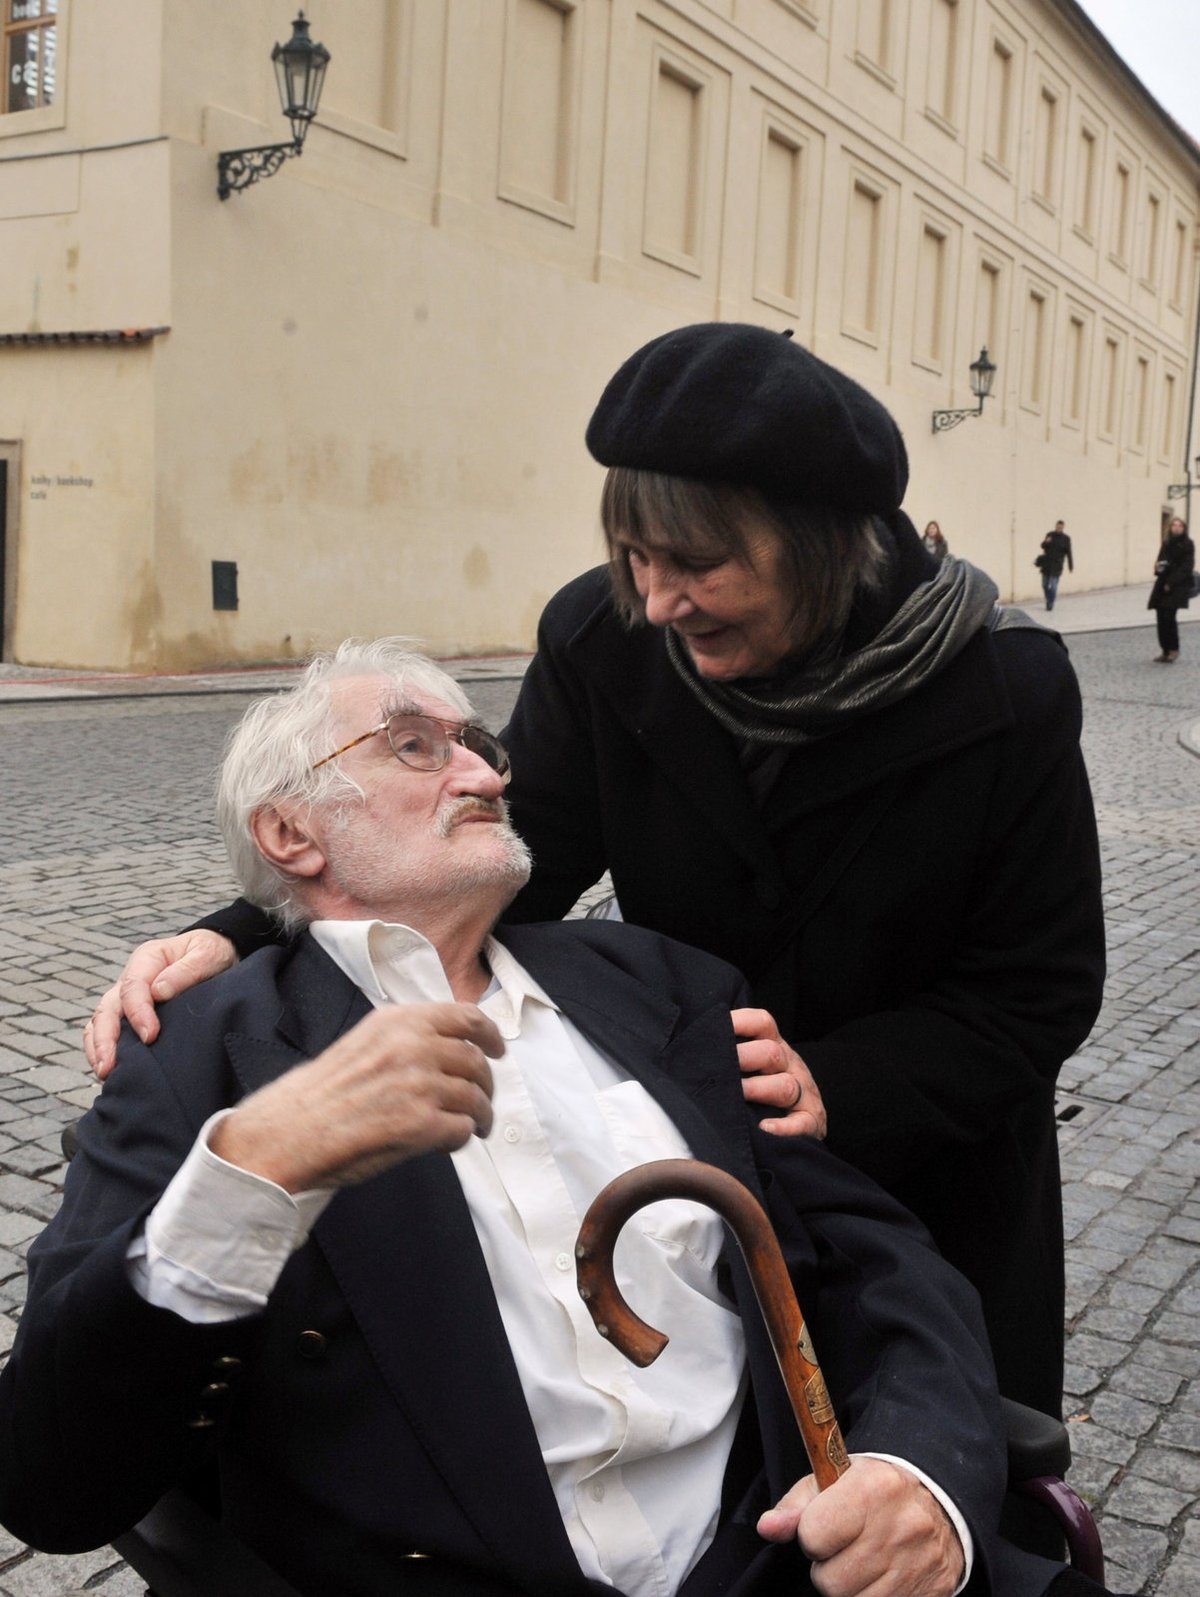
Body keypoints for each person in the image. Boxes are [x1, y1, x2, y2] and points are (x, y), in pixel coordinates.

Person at [83, 325, 1105, 1426]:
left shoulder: (1004, 691)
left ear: (818, 543)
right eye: (638, 558)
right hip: (703, 1169)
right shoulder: (605, 636)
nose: (661, 600)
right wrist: (243, 926)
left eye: (699, 564)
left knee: (939, 1481)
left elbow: (1035, 988)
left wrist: (837, 1083)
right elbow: (512, 851)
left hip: (930, 1177)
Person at [0, 642, 1111, 1597]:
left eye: (478, 741)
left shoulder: (665, 985)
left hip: (775, 1552)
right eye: (413, 744)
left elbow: (877, 1260)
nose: (482, 768)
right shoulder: (202, 1047)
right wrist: (256, 1172)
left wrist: (922, 1472)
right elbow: (53, 1479)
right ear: (291, 832)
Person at [1148, 515, 1194, 662]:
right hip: (1162, 584)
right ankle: (1165, 650)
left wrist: (1172, 582)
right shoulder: (1166, 542)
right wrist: (1157, 568)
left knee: (1169, 617)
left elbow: (1186, 567)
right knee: (1160, 617)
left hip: (1177, 586)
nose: (1177, 528)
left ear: (1184, 528)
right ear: (1170, 527)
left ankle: (1174, 649)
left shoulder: (1187, 544)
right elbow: (1160, 560)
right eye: (1174, 525)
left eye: (1180, 525)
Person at [1036, 522, 1073, 611]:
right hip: (1047, 564)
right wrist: (1046, 542)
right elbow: (1042, 546)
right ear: (1055, 526)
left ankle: (1050, 603)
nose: (1059, 528)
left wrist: (1070, 565)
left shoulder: (1066, 538)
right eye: (1057, 527)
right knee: (1044, 584)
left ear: (1063, 528)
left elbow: (1069, 553)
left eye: (1060, 527)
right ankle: (1048, 598)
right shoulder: (1050, 535)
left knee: (1053, 586)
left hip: (1057, 565)